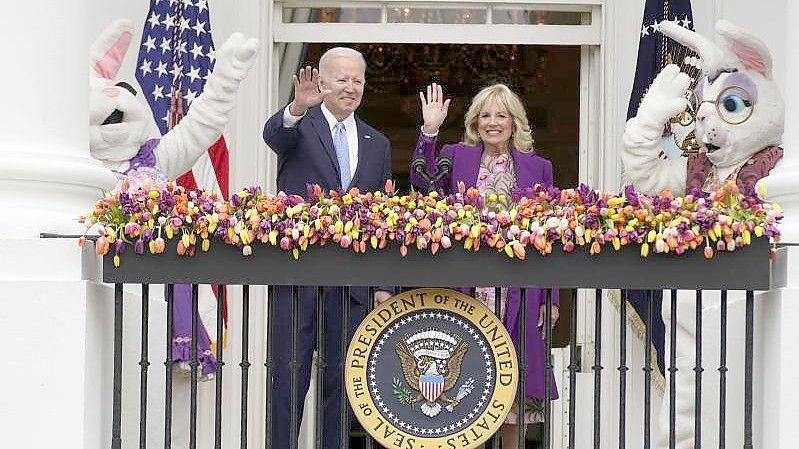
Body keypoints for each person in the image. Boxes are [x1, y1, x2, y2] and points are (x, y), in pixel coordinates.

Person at [411, 83, 560, 448]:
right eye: (485, 115)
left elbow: (550, 233)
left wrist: (551, 298)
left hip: (518, 290)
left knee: (515, 397)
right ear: (475, 122)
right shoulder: (455, 156)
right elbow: (423, 184)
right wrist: (429, 131)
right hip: (467, 291)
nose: (493, 123)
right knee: (465, 393)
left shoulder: (538, 167)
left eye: (501, 115)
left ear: (515, 122)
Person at [262, 47, 392, 448]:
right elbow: (274, 135)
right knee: (289, 376)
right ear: (322, 82)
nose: (350, 88)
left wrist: (383, 284)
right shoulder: (300, 125)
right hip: (299, 277)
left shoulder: (378, 142)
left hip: (351, 285)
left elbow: (384, 217)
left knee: (343, 382)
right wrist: (296, 108)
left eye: (357, 80)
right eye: (341, 79)